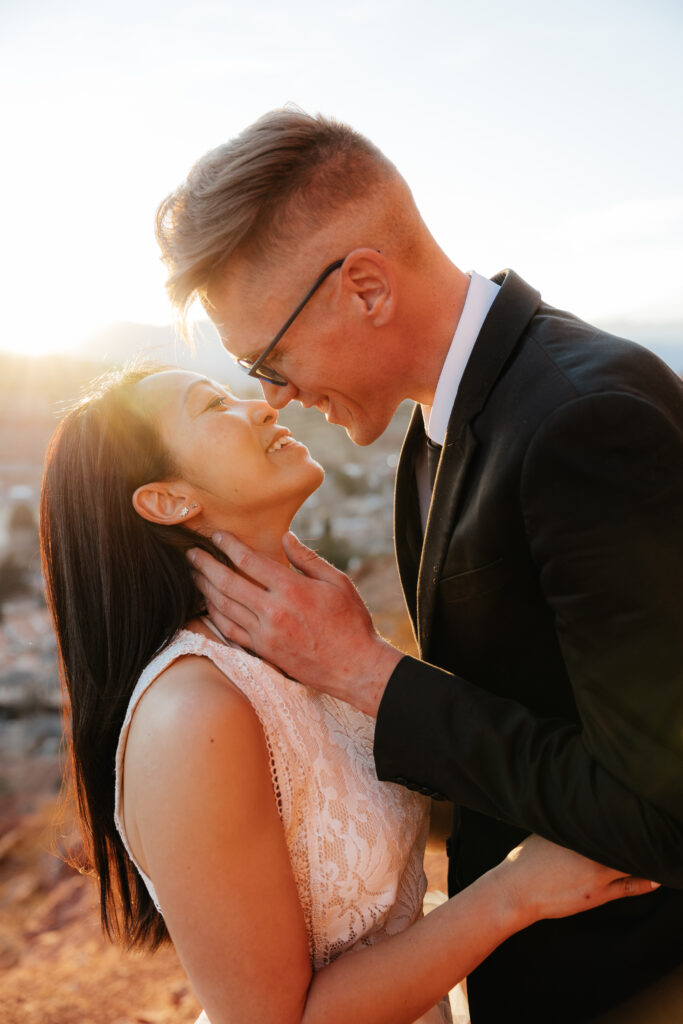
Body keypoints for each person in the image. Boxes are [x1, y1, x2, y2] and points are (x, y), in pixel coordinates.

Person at [154, 109, 683, 1022]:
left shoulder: (581, 422)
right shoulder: (437, 431)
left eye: (268, 357)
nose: (273, 394)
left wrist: (365, 673)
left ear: (364, 287)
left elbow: (661, 810)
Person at [38, 364, 654, 1024]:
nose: (263, 407)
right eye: (214, 404)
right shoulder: (193, 715)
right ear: (167, 501)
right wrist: (516, 891)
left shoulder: (299, 649)